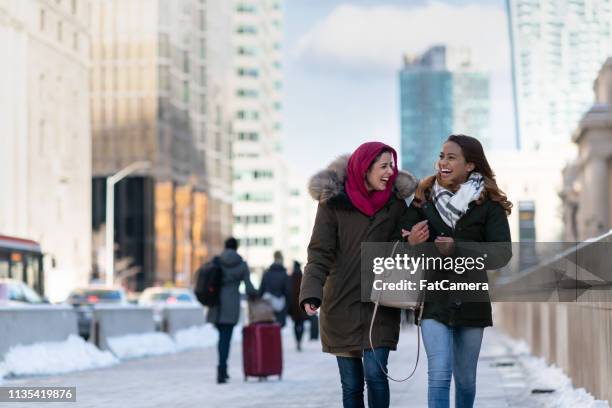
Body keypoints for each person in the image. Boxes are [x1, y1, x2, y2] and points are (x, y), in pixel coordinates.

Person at [299, 142, 417, 408]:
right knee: (351, 384)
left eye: (392, 166)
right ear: (365, 168)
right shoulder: (332, 204)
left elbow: (406, 246)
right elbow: (319, 252)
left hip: (380, 303)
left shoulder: (396, 204)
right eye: (383, 166)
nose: (390, 172)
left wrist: (412, 240)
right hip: (341, 303)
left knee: (376, 374)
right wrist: (311, 292)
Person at [399, 134, 512, 408]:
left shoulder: (489, 203)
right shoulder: (422, 199)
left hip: (472, 301)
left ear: (470, 165)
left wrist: (458, 248)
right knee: (438, 376)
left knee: (466, 381)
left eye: (451, 157)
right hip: (434, 302)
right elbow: (402, 252)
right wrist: (411, 243)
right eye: (441, 156)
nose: (443, 162)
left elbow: (501, 253)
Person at [206, 237, 257, 384]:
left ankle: (222, 369)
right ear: (236, 248)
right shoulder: (241, 264)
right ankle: (222, 370)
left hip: (216, 304)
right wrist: (256, 293)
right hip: (231, 304)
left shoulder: (217, 261)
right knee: (226, 338)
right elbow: (249, 287)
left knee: (221, 337)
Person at [259, 250, 290, 327]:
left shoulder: (267, 273)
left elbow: (261, 289)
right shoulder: (284, 274)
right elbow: (288, 292)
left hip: (268, 303)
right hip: (280, 304)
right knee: (278, 328)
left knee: (268, 327)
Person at [288, 261, 308, 351]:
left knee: (296, 324)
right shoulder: (303, 277)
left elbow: (288, 291)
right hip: (302, 304)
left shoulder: (290, 278)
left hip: (293, 305)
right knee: (302, 323)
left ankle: (297, 341)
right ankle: (300, 341)